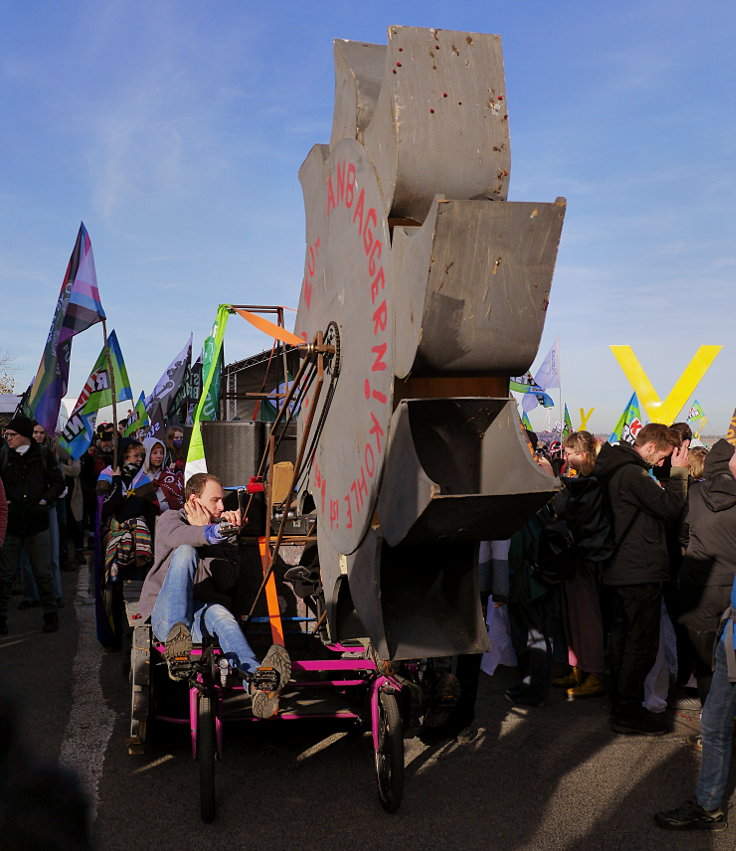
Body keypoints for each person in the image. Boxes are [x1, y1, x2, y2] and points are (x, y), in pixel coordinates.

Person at [137, 472, 291, 719]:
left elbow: (226, 580)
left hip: (200, 617)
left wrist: (217, 537)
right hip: (167, 619)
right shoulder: (169, 519)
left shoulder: (223, 534)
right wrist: (206, 533)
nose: (221, 506)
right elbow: (181, 538)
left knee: (221, 613)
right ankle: (178, 646)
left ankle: (256, 682)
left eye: (222, 501)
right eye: (215, 500)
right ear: (194, 500)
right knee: (186, 550)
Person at [594, 423, 688, 735]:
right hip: (638, 571)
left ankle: (622, 707)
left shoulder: (615, 468)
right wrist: (678, 473)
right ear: (650, 447)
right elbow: (670, 507)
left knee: (623, 641)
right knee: (640, 645)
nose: (662, 462)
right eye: (662, 456)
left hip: (619, 569)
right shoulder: (632, 474)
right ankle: (628, 713)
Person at [653, 571, 736, 832]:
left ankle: (708, 806)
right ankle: (707, 805)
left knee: (714, 725)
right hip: (731, 638)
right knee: (713, 724)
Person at [677, 439, 736, 707]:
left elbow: (681, 532)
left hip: (698, 584)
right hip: (731, 585)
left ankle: (709, 719)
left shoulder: (693, 494)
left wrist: (691, 548)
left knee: (704, 663)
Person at [551, 431, 606, 699]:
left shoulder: (593, 484)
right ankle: (578, 668)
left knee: (587, 619)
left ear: (582, 454)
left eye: (569, 452)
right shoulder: (584, 482)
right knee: (574, 617)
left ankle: (594, 673)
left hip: (587, 560)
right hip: (577, 559)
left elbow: (581, 518)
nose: (565, 457)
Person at [0, 415, 64, 635]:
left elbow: (58, 482)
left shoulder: (44, 455)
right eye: (7, 434)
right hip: (12, 524)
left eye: (12, 434)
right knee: (6, 574)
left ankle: (50, 615)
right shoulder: (4, 455)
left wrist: (45, 500)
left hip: (37, 524)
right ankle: (1, 619)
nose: (8, 438)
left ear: (25, 437)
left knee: (43, 573)